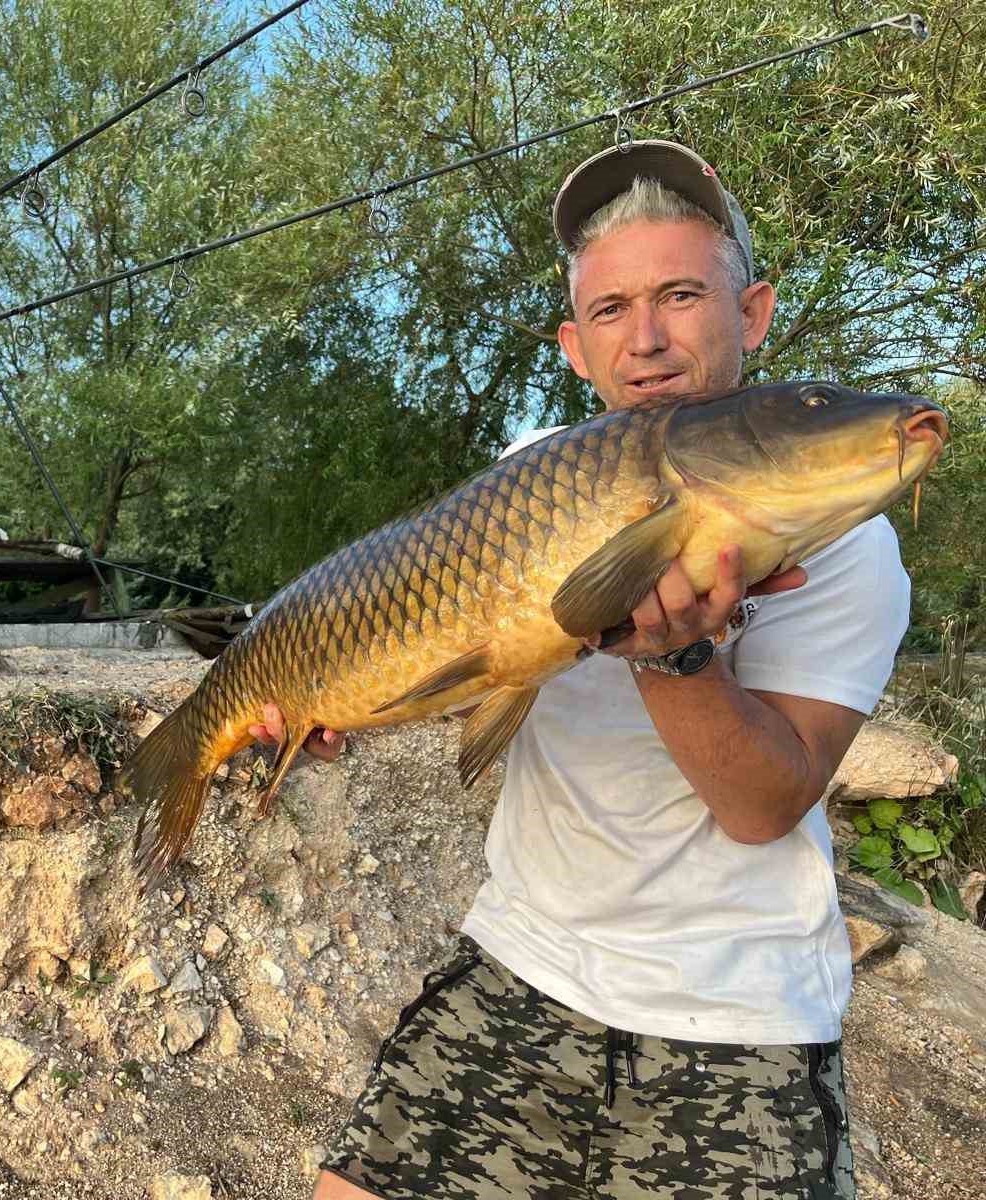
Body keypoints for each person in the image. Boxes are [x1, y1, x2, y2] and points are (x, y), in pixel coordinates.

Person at [254, 140, 907, 1199]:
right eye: (610, 309)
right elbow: (463, 658)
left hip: (735, 1014)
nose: (645, 340)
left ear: (751, 315)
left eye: (680, 295)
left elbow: (764, 806)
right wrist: (341, 704)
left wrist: (679, 656)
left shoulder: (847, 546)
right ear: (574, 344)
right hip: (524, 962)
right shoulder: (533, 472)